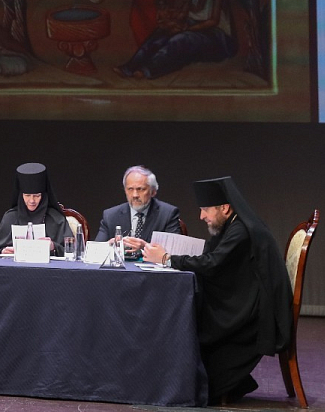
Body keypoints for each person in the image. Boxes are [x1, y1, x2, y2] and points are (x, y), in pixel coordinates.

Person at [142, 178, 291, 405]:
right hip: (245, 298)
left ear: (225, 208)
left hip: (254, 313)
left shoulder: (241, 230)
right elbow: (212, 256)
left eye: (205, 209)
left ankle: (198, 384)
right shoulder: (233, 225)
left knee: (189, 316)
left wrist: (166, 258)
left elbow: (213, 264)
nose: (201, 216)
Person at [114, 0, 236, 79]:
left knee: (179, 39)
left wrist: (186, 29)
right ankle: (130, 67)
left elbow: (213, 21)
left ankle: (148, 70)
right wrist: (171, 23)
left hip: (217, 37)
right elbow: (185, 11)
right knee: (161, 33)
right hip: (195, 26)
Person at [0, 162, 73, 255]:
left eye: (36, 196)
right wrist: (3, 251)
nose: (32, 200)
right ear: (21, 195)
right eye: (27, 195)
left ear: (43, 196)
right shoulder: (11, 217)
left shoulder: (56, 219)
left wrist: (53, 246)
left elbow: (72, 251)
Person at [93, 166, 182, 253]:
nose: (135, 195)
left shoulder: (168, 214)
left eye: (140, 189)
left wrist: (145, 247)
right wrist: (109, 245)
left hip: (151, 262)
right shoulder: (110, 215)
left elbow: (175, 253)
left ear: (153, 191)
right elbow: (94, 252)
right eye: (130, 189)